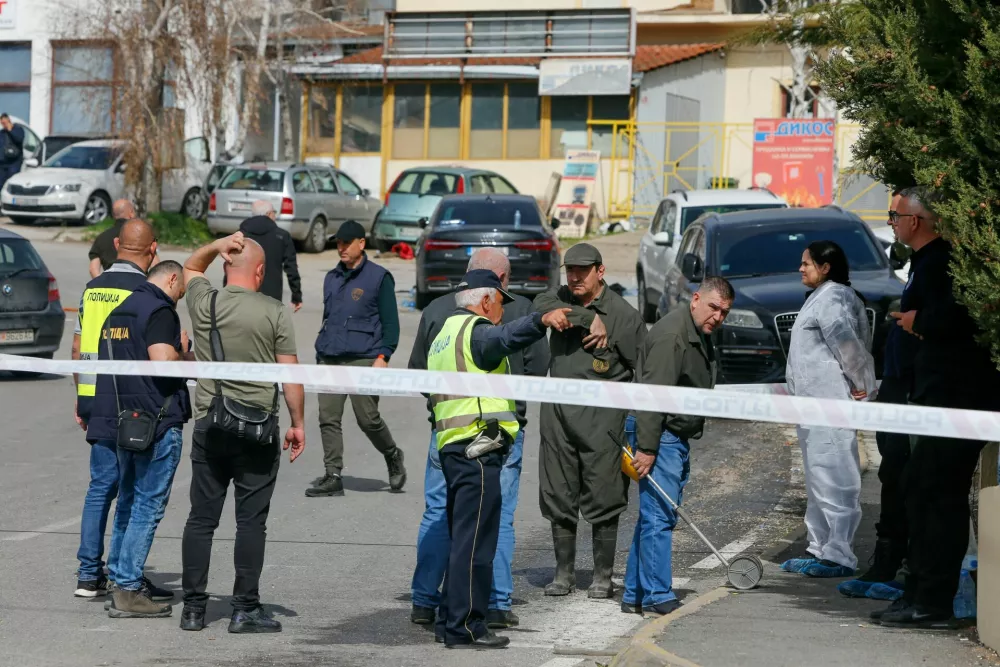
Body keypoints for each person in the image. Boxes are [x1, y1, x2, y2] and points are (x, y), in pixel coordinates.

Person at [874, 188, 1000, 628]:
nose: (891, 221)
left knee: (936, 492)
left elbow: (960, 318)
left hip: (956, 398)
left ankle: (933, 600)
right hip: (933, 394)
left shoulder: (944, 261)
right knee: (920, 487)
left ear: (915, 221)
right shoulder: (925, 261)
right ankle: (919, 592)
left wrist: (917, 323)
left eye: (894, 214)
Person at [428, 269, 571, 649]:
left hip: (453, 447)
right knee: (476, 544)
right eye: (501, 303)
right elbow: (505, 338)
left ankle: (449, 618)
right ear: (486, 298)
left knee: (461, 540)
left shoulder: (444, 335)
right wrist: (540, 319)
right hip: (477, 450)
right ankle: (468, 626)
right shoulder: (476, 332)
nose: (502, 312)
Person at [408, 249, 550, 629]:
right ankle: (496, 603)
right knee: (495, 518)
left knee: (440, 513)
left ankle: (424, 600)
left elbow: (418, 374)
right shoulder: (514, 312)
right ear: (497, 283)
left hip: (445, 430)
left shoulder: (438, 310)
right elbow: (538, 371)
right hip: (493, 433)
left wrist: (446, 407)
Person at [179, 233, 306, 634]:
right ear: (262, 271)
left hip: (211, 425)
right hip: (258, 431)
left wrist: (218, 243)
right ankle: (244, 609)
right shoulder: (274, 311)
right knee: (251, 523)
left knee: (201, 519)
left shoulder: (205, 303)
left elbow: (189, 267)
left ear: (224, 267)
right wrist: (298, 423)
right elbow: (290, 375)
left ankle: (194, 610)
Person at [533, 243, 646, 600]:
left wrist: (638, 425)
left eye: (583, 270)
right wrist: (585, 318)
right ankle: (563, 574)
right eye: (570, 270)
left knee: (604, 495)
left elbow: (642, 372)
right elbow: (536, 304)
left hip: (603, 422)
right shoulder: (560, 300)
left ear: (601, 270)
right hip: (558, 419)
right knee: (558, 494)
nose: (575, 277)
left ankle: (602, 576)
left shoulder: (623, 315)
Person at [86, 260, 193, 618]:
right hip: (157, 422)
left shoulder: (118, 312)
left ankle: (119, 580)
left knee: (128, 503)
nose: (181, 297)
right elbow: (163, 361)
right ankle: (129, 589)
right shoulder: (160, 310)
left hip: (125, 422)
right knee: (147, 506)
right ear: (172, 278)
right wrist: (185, 352)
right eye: (181, 289)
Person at [621, 277, 734, 617]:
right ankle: (657, 595)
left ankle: (635, 593)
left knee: (653, 516)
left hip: (669, 434)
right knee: (659, 516)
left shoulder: (696, 330)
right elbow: (653, 397)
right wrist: (647, 448)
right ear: (696, 299)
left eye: (725, 312)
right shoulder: (674, 336)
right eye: (713, 307)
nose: (718, 317)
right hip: (660, 434)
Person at [72, 219, 159, 598]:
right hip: (135, 405)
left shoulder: (91, 291)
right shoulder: (145, 290)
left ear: (117, 244)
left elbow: (78, 351)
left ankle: (88, 576)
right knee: (132, 490)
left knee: (99, 488)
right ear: (153, 250)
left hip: (97, 401)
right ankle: (124, 573)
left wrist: (82, 399)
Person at [782, 240, 877, 579]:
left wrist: (862, 384)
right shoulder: (821, 298)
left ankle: (839, 554)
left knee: (835, 477)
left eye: (806, 263)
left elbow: (848, 347)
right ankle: (820, 547)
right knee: (819, 478)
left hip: (829, 404)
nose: (801, 268)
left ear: (825, 267)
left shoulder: (834, 297)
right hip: (812, 406)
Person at [839, 192, 914, 601]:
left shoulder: (934, 264)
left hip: (915, 396)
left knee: (906, 482)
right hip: (898, 389)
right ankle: (886, 563)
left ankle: (899, 569)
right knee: (891, 478)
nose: (890, 222)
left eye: (894, 215)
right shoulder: (913, 264)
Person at [307, 219, 405, 498]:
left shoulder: (379, 277)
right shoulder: (331, 277)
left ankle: (392, 453)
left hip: (364, 356)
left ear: (362, 244)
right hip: (330, 356)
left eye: (346, 243)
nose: (341, 248)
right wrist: (321, 353)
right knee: (328, 417)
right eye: (338, 243)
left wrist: (384, 355)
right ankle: (333, 475)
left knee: (368, 419)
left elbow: (391, 323)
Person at [232, 200, 302, 310]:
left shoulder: (240, 236)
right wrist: (296, 295)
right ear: (269, 214)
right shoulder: (282, 236)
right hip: (272, 297)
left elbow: (232, 265)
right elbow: (291, 268)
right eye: (274, 212)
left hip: (243, 296)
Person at [88, 200, 153, 278]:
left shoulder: (101, 238)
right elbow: (155, 265)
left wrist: (103, 284)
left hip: (111, 282)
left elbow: (93, 269)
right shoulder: (140, 235)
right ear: (131, 213)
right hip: (138, 283)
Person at [0, 113, 25, 193]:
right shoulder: (2, 133)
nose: (4, 124)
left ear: (8, 120)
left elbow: (19, 139)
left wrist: (10, 130)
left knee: (12, 184)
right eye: (2, 123)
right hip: (3, 164)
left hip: (14, 163)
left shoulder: (18, 130)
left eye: (5, 122)